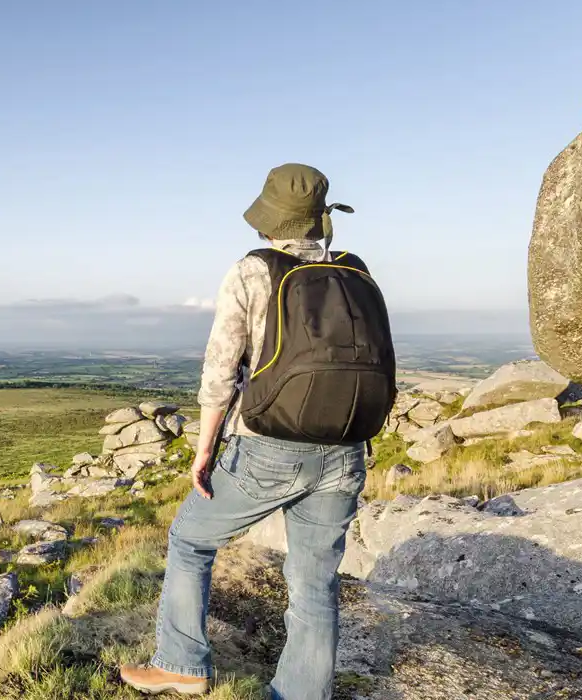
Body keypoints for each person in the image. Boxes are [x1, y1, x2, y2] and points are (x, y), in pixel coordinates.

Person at [119, 163, 394, 699]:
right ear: (320, 219)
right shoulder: (355, 273)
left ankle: (180, 663)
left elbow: (221, 372)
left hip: (270, 446)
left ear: (268, 218)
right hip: (347, 449)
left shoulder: (253, 270)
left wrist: (203, 451)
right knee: (314, 581)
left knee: (190, 541)